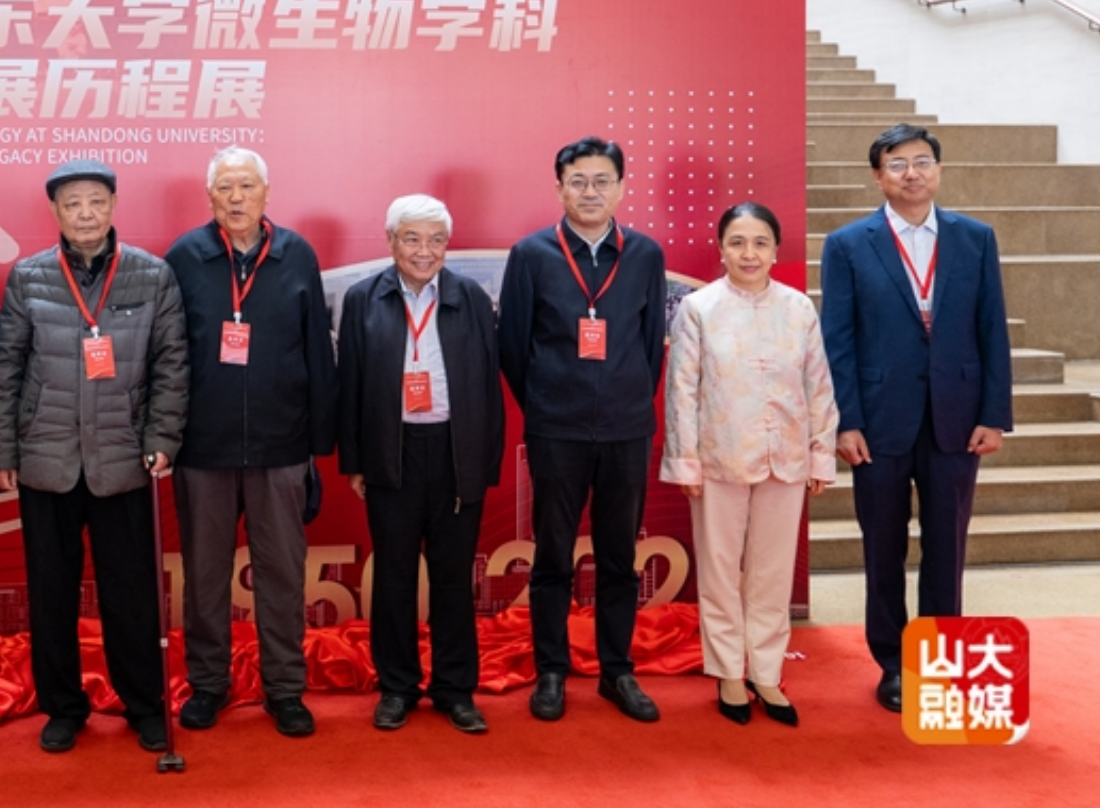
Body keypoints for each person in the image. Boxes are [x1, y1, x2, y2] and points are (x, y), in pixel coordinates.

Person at [0, 159, 188, 754]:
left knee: (131, 593)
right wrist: (4, 447)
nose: (85, 214)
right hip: (46, 457)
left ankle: (143, 703)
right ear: (55, 211)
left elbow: (172, 364)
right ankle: (63, 707)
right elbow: (6, 367)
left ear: (113, 206)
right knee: (51, 592)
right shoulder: (30, 276)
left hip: (123, 457)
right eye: (72, 203)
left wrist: (162, 438)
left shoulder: (152, 275)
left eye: (96, 201)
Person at [819, 124, 1012, 713]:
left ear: (938, 170)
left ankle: (940, 658)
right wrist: (846, 421)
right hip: (878, 422)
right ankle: (893, 663)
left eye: (922, 161)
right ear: (878, 176)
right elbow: (838, 340)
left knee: (947, 545)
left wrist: (994, 414)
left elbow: (992, 329)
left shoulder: (975, 238)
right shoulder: (848, 244)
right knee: (883, 545)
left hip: (957, 417)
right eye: (898, 163)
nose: (912, 173)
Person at [163, 147, 335, 738]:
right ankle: (208, 683)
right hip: (202, 448)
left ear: (267, 192)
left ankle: (284, 688)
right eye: (225, 188)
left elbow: (318, 349)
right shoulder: (184, 257)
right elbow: (166, 353)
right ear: (209, 196)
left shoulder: (296, 254)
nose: (236, 198)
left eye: (247, 186)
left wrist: (318, 442)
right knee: (205, 575)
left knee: (282, 574)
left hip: (280, 445)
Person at [498, 136, 668, 724]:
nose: (590, 191)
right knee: (553, 554)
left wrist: (625, 396)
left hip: (626, 429)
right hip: (557, 430)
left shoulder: (644, 254)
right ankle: (552, 670)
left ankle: (617, 671)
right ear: (559, 188)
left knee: (620, 556)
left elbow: (651, 345)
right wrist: (548, 403)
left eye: (601, 181)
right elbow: (513, 346)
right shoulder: (531, 254)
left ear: (620, 187)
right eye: (578, 181)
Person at [662, 202, 838, 727]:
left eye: (760, 242)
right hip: (719, 456)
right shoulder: (699, 308)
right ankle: (727, 673)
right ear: (721, 248)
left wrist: (820, 453)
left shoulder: (798, 308)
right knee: (719, 571)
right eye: (737, 242)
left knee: (772, 573)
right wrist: (686, 461)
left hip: (786, 456)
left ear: (776, 250)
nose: (749, 253)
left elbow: (818, 383)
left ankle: (765, 672)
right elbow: (681, 389)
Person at [337, 195, 504, 735]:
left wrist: (484, 463)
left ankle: (455, 689)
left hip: (455, 453)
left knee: (453, 579)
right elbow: (350, 385)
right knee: (394, 577)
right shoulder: (363, 299)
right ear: (391, 242)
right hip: (393, 451)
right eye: (412, 238)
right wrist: (355, 461)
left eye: (436, 240)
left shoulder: (471, 298)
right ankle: (398, 687)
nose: (424, 250)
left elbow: (490, 387)